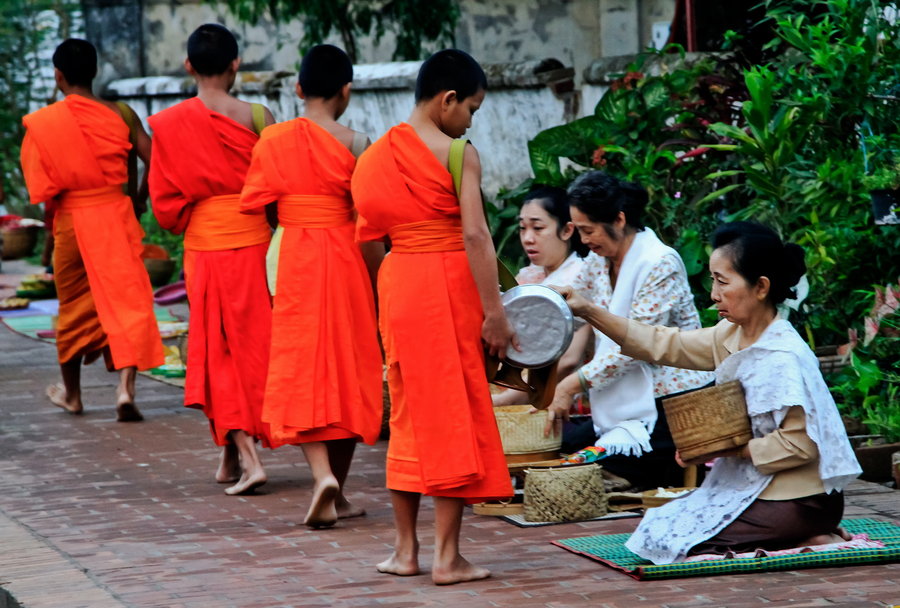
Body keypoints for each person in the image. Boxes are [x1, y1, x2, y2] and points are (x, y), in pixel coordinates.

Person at [555, 221, 861, 564]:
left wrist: (726, 448)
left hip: (800, 500)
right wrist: (589, 310)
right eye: (713, 280)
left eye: (722, 282)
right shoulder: (731, 333)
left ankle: (810, 535)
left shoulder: (781, 355)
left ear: (760, 287)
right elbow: (662, 344)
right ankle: (808, 537)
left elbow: (799, 445)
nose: (714, 294)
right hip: (766, 492)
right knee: (659, 525)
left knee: (677, 542)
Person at [351, 49, 516, 585]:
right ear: (447, 101)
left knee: (405, 414)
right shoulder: (457, 153)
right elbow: (475, 235)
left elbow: (369, 240)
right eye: (471, 107)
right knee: (452, 412)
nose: (471, 119)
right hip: (447, 286)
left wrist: (391, 291)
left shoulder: (374, 155)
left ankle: (405, 550)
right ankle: (448, 557)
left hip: (399, 284)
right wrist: (495, 313)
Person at [239, 44, 382, 528]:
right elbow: (368, 222)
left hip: (291, 256)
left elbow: (263, 205)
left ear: (298, 89)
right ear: (346, 91)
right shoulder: (358, 143)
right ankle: (334, 488)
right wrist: (379, 278)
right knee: (347, 365)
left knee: (301, 367)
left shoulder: (273, 139)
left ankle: (325, 480)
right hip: (342, 255)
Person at [148, 23, 276, 496]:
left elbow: (164, 207)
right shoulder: (258, 116)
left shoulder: (169, 124)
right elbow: (277, 182)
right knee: (254, 344)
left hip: (205, 244)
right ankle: (231, 452)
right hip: (254, 242)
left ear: (188, 66)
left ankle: (247, 455)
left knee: (217, 350)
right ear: (235, 65)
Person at [20, 38, 163, 420]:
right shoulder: (121, 114)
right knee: (127, 301)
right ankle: (124, 389)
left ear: (58, 75)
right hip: (116, 218)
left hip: (74, 223)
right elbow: (157, 157)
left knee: (72, 309)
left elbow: (42, 186)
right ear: (96, 72)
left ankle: (72, 395)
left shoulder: (47, 123)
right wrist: (139, 196)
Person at [544, 171, 714, 490]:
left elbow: (636, 346)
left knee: (591, 462)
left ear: (619, 220)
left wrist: (570, 385)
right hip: (624, 402)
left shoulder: (660, 262)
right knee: (560, 446)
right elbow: (568, 308)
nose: (583, 241)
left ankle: (635, 472)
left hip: (676, 403)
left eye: (587, 230)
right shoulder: (598, 260)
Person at [491, 185, 590, 407]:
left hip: (562, 401)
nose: (527, 238)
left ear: (567, 230)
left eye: (537, 228)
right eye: (522, 228)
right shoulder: (529, 275)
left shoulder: (581, 277)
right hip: (521, 390)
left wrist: (502, 400)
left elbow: (567, 360)